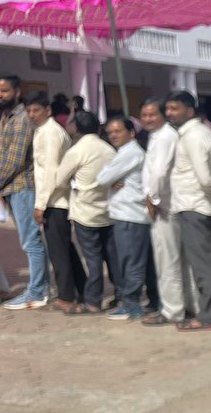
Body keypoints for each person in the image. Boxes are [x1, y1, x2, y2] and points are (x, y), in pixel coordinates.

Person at [165, 90, 211, 331]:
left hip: (194, 205)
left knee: (201, 264)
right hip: (195, 204)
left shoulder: (194, 136)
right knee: (206, 261)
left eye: (175, 109)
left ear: (189, 111)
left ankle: (209, 316)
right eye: (169, 109)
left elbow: (205, 177)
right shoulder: (198, 133)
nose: (170, 113)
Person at [0, 73, 48, 309]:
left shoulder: (22, 118)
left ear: (17, 92)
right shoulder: (6, 118)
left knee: (30, 241)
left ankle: (36, 290)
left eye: (4, 91)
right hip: (12, 188)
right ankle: (38, 287)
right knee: (29, 240)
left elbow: (15, 159)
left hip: (22, 186)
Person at [138, 98, 193, 327]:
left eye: (153, 114)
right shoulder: (158, 136)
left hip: (164, 206)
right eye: (145, 115)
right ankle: (182, 305)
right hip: (164, 204)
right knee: (172, 259)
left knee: (167, 261)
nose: (148, 119)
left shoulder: (165, 136)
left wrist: (153, 198)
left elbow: (160, 172)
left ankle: (172, 311)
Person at [28, 91, 83, 312]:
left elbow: (51, 170)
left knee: (59, 252)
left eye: (36, 110)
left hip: (55, 201)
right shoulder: (42, 131)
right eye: (29, 111)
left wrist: (41, 204)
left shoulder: (50, 133)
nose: (32, 115)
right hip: (53, 199)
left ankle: (66, 297)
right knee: (65, 249)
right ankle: (82, 289)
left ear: (48, 111)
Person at [56, 110, 115, 314]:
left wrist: (77, 184)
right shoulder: (109, 149)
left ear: (76, 129)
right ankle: (122, 295)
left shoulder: (77, 151)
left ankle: (93, 301)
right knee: (111, 256)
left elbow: (59, 179)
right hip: (107, 210)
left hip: (85, 211)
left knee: (93, 259)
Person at [98, 115, 150, 321]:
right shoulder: (126, 153)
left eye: (118, 131)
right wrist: (112, 179)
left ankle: (132, 305)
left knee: (131, 262)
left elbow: (102, 178)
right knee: (129, 261)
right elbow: (106, 178)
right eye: (110, 132)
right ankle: (131, 302)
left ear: (131, 133)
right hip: (125, 214)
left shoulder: (130, 153)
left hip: (131, 215)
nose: (113, 136)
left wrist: (111, 178)